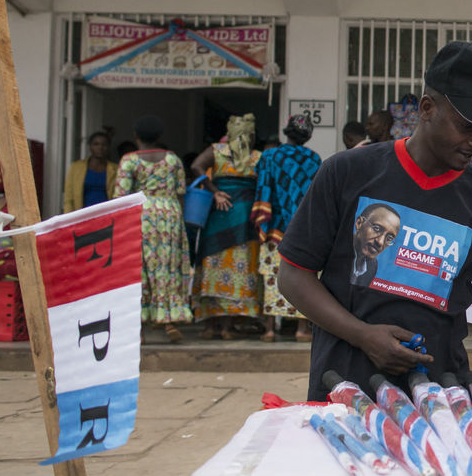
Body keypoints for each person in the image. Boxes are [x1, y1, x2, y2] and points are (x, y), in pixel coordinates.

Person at [278, 41, 472, 400]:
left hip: (443, 399)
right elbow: (293, 275)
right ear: (427, 108)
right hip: (343, 392)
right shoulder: (347, 172)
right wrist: (362, 335)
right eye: (467, 126)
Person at [113, 116, 191, 343]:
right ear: (159, 136)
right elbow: (181, 192)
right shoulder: (173, 159)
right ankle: (169, 321)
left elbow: (121, 196)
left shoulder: (129, 161)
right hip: (170, 215)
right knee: (167, 267)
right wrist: (179, 220)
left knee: (140, 268)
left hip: (141, 215)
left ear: (135, 135)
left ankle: (139, 327)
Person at [251, 114, 323, 342]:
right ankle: (301, 329)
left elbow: (262, 186)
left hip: (275, 226)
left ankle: (270, 329)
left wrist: (262, 218)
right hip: (302, 228)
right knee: (304, 276)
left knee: (272, 277)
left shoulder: (270, 156)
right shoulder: (314, 158)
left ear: (286, 131)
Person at [191, 114, 263, 340]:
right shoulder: (257, 157)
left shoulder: (217, 151)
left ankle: (211, 325)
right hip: (244, 216)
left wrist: (215, 191)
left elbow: (196, 166)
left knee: (213, 265)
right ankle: (228, 326)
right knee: (241, 267)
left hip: (220, 214)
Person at [62, 130, 117, 213]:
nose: (100, 147)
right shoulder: (76, 167)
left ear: (108, 147)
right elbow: (69, 198)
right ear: (90, 146)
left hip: (107, 214)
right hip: (82, 214)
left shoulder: (115, 169)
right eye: (96, 144)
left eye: (104, 144)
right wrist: (68, 217)